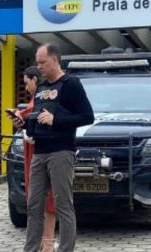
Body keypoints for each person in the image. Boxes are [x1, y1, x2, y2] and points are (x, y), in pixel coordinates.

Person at [21, 43, 94, 252]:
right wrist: (23, 123)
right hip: (40, 152)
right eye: (38, 63)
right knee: (34, 205)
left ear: (54, 60)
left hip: (61, 151)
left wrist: (56, 119)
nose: (39, 67)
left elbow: (88, 116)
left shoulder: (71, 84)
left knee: (63, 205)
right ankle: (31, 249)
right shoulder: (42, 88)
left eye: (43, 62)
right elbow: (37, 120)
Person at [11, 66, 57, 252]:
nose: (26, 87)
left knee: (47, 199)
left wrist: (28, 128)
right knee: (38, 200)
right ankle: (43, 241)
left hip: (44, 155)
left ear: (35, 80)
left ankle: (47, 242)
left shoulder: (44, 99)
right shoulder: (35, 100)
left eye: (27, 83)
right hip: (33, 156)